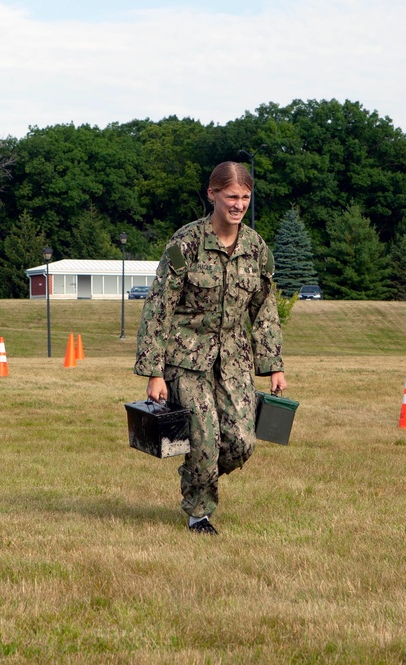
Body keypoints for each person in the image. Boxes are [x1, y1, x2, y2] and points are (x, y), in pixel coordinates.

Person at [134, 162, 286, 535]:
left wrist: (274, 365)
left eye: (245, 197)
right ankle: (199, 513)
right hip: (187, 359)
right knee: (204, 440)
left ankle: (196, 474)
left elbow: (264, 309)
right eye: (232, 196)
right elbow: (159, 307)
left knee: (241, 442)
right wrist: (154, 372)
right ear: (212, 194)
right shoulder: (185, 244)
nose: (238, 204)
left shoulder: (255, 248)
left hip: (234, 359)